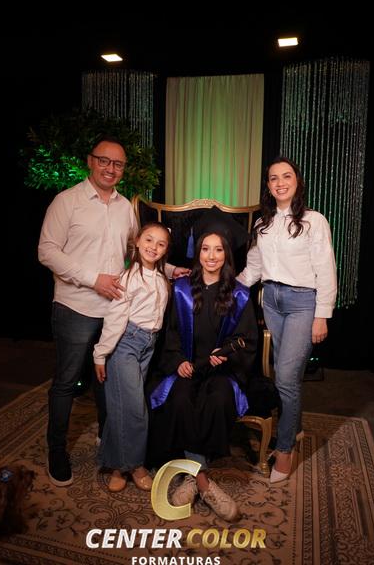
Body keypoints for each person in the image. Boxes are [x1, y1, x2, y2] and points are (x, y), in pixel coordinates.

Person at [38, 135, 188, 487]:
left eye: (117, 164)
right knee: (66, 382)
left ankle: (113, 448)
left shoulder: (124, 208)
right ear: (90, 161)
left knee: (108, 384)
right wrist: (94, 280)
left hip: (118, 310)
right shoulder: (67, 201)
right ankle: (57, 450)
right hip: (76, 307)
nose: (110, 168)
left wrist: (170, 270)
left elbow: (138, 252)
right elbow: (47, 251)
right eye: (104, 160)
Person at [148, 207, 258, 521]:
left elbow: (246, 339)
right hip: (188, 367)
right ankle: (203, 482)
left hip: (221, 371)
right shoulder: (182, 289)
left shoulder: (239, 295)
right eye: (205, 249)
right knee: (180, 398)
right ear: (197, 252)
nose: (211, 256)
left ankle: (192, 478)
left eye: (218, 250)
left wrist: (227, 354)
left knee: (219, 398)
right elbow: (169, 334)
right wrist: (178, 361)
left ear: (227, 254)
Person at [237, 156, 337, 483]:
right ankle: (295, 428)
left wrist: (322, 315)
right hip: (272, 300)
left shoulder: (313, 221)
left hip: (302, 303)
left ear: (297, 181)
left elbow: (326, 270)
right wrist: (224, 289)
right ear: (268, 185)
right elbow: (254, 268)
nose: (280, 183)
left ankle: (284, 449)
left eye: (286, 176)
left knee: (284, 377)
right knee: (285, 374)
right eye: (273, 178)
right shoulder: (262, 224)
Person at [93, 222, 171, 492]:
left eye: (161, 244)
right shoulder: (127, 278)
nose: (153, 247)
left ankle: (116, 465)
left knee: (121, 407)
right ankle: (134, 466)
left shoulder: (160, 278)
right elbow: (114, 318)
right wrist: (100, 354)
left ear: (165, 250)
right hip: (125, 343)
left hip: (148, 346)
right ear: (137, 241)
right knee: (135, 409)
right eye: (149, 240)